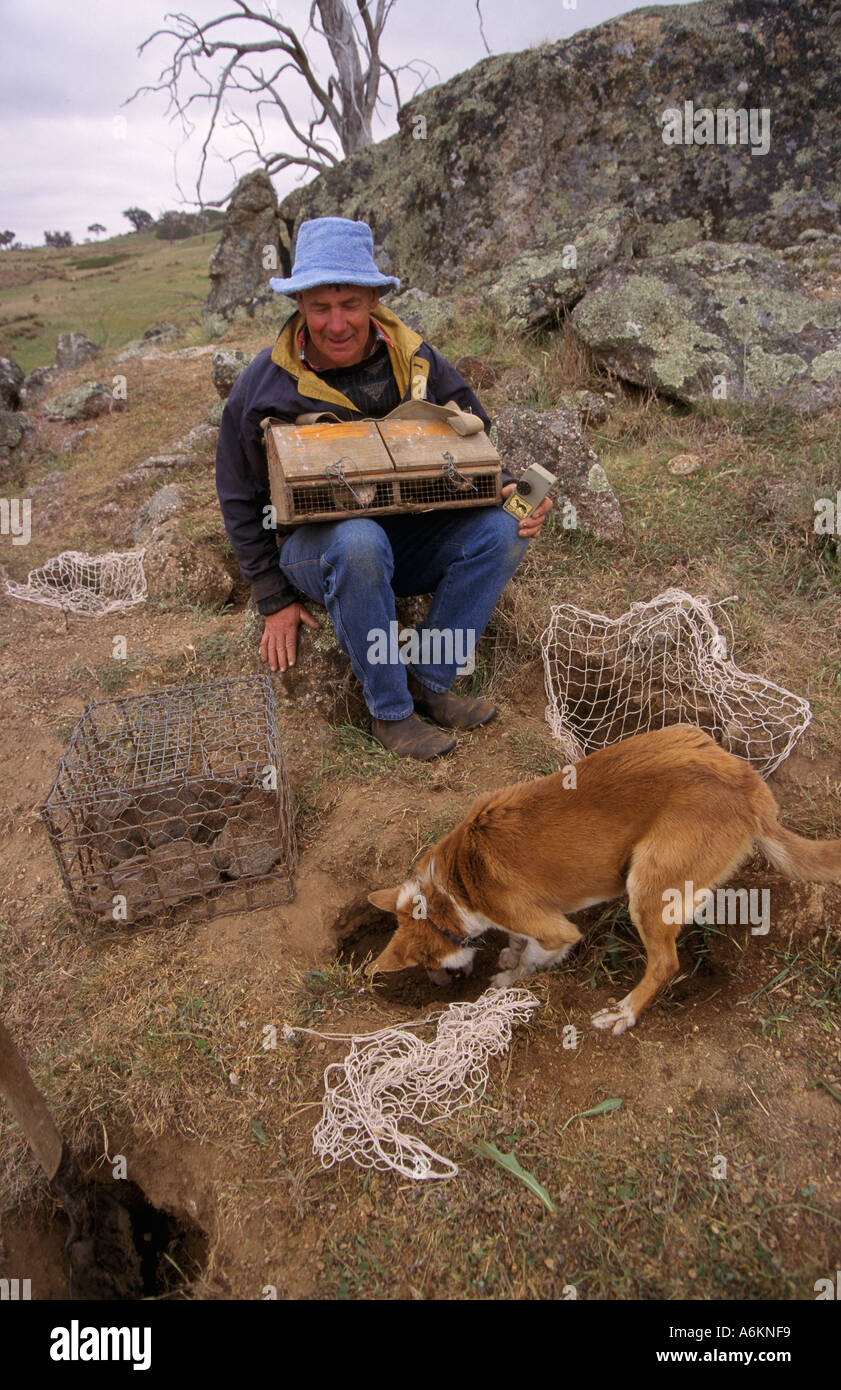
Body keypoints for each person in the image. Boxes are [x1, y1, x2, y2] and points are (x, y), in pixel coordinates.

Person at [216, 216, 552, 760]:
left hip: (411, 542)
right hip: (320, 552)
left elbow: (474, 433)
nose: (337, 322)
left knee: (505, 527)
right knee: (358, 539)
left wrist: (512, 491)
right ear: (298, 304)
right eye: (321, 306)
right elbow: (236, 494)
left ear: (373, 297)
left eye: (350, 303)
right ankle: (391, 713)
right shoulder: (263, 386)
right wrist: (272, 598)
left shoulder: (416, 358)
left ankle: (429, 679)